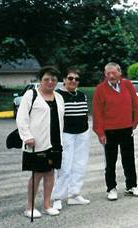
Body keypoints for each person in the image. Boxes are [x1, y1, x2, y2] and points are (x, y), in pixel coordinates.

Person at [17, 66, 65, 217]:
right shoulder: (31, 95)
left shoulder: (58, 97)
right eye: (47, 79)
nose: (50, 82)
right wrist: (27, 136)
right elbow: (22, 118)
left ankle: (47, 205)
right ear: (40, 80)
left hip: (55, 142)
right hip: (36, 142)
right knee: (37, 174)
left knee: (50, 173)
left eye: (54, 79)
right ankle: (29, 207)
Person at [93, 62, 138, 201]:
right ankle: (111, 188)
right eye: (108, 73)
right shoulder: (100, 89)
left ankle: (131, 186)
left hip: (126, 129)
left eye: (113, 73)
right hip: (109, 131)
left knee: (129, 159)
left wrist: (136, 121)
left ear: (119, 73)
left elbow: (135, 104)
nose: (111, 76)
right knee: (110, 162)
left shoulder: (127, 85)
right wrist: (100, 133)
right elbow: (97, 113)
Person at [52, 67, 90, 210]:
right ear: (64, 80)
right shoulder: (57, 96)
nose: (73, 81)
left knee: (80, 165)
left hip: (82, 133)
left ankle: (74, 194)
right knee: (64, 166)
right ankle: (57, 197)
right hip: (66, 134)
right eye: (70, 78)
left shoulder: (82, 95)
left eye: (76, 79)